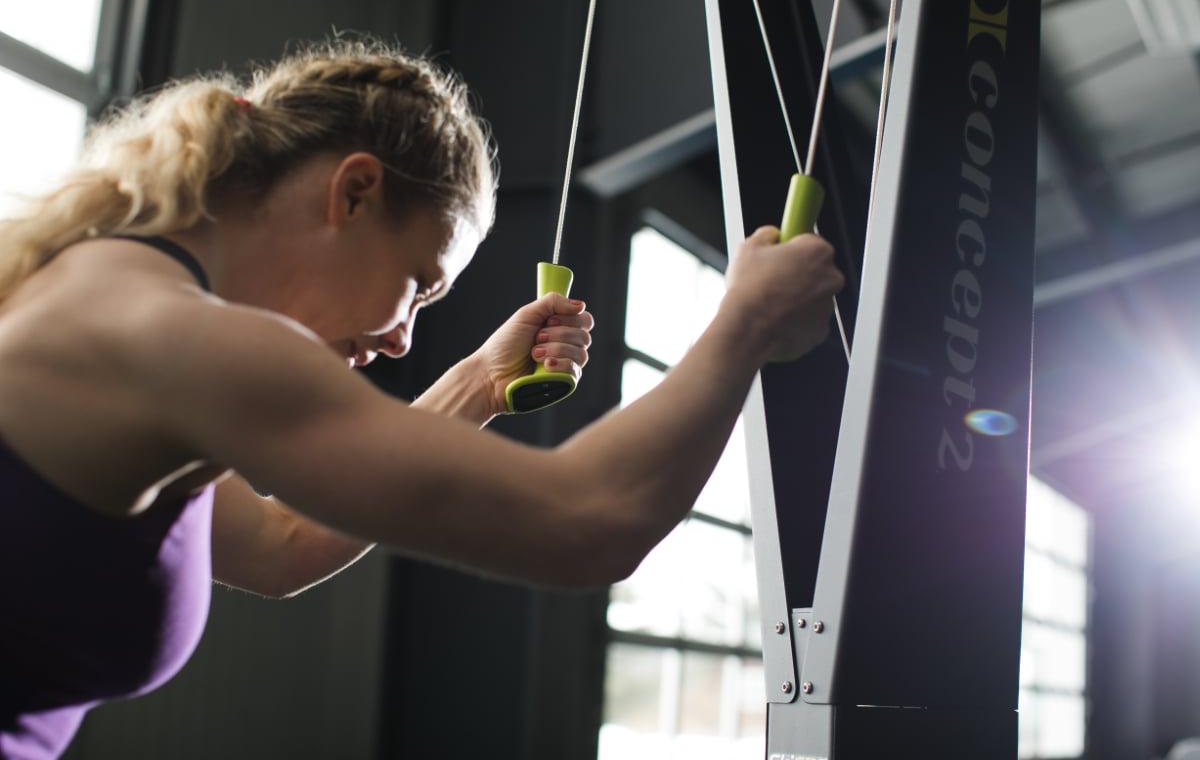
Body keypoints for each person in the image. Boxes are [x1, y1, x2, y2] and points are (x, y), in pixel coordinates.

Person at [0, 38, 844, 758]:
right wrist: (749, 323)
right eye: (418, 284)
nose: (403, 337)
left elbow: (281, 542)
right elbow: (590, 518)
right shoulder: (167, 336)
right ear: (355, 191)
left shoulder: (101, 301)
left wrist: (479, 382)